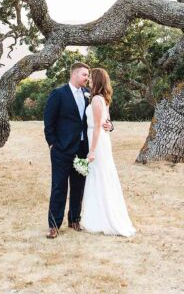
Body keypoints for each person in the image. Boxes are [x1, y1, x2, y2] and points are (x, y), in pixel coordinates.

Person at [42, 61, 112, 239]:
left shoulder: (89, 94)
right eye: (84, 75)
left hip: (83, 148)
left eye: (88, 76)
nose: (87, 78)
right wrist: (52, 144)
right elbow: (48, 122)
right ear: (74, 74)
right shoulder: (58, 94)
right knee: (59, 187)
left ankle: (74, 219)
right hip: (61, 150)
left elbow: (101, 118)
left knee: (78, 187)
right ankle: (54, 225)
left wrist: (110, 125)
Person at [80, 67, 136, 236]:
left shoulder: (97, 99)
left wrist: (92, 151)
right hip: (100, 138)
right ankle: (96, 215)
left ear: (96, 80)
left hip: (97, 140)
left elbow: (98, 126)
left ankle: (101, 218)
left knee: (99, 176)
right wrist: (110, 125)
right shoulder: (101, 98)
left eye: (91, 78)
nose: (88, 80)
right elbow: (107, 120)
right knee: (99, 175)